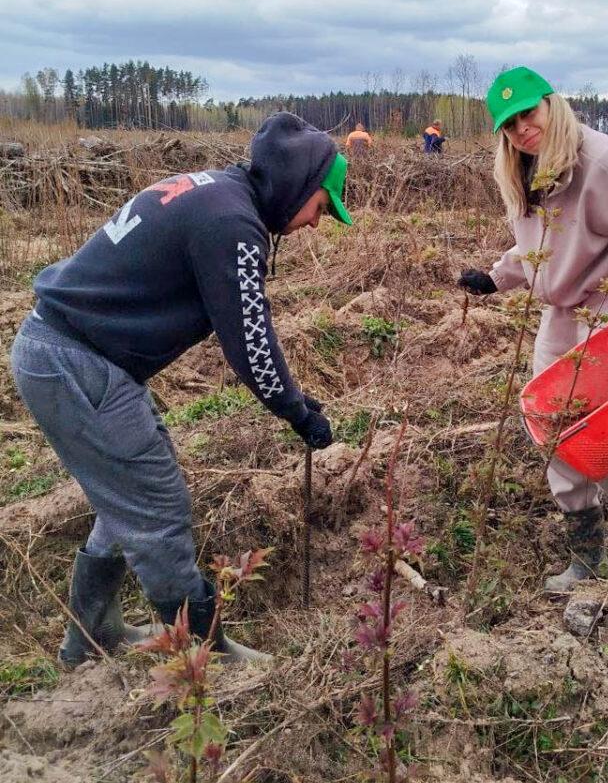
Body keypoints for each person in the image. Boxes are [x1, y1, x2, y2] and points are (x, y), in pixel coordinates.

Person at [10, 113, 352, 664]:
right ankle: (203, 651)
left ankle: (89, 639)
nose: (318, 222)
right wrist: (298, 412)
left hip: (70, 353)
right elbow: (250, 344)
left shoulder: (217, 192)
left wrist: (294, 400)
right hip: (76, 362)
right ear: (299, 186)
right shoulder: (232, 223)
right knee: (156, 504)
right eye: (321, 208)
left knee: (129, 495)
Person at [458, 67, 608, 593]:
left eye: (528, 113)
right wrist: (497, 277)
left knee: (594, 437)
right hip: (560, 316)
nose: (522, 128)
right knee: (551, 430)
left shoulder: (603, 163)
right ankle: (588, 556)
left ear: (551, 103)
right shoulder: (525, 171)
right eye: (509, 124)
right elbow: (543, 248)